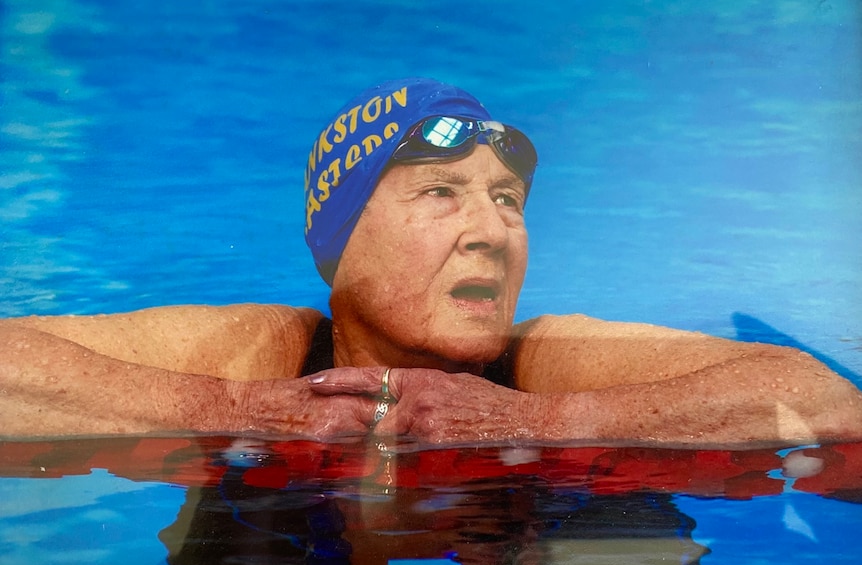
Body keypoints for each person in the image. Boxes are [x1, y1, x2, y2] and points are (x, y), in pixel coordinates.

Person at [1, 78, 860, 445]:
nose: (493, 228)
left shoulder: (548, 363)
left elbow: (821, 399)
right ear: (338, 249)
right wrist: (234, 408)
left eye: (508, 199)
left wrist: (537, 426)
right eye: (442, 192)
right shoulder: (255, 354)